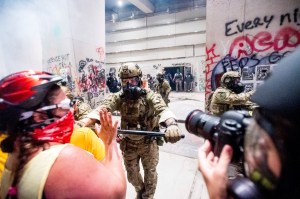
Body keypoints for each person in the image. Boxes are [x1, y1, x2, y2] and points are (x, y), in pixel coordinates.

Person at [0, 70, 126, 198]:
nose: (71, 111)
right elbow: (116, 192)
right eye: (65, 106)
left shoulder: (15, 156)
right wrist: (110, 144)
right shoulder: (64, 159)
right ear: (39, 117)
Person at [198, 47, 300, 199]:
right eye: (235, 81)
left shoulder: (231, 92)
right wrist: (256, 93)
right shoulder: (221, 92)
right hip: (221, 125)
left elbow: (246, 104)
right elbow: (237, 100)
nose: (238, 83)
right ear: (228, 82)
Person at [79, 63, 183, 199]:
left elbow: (163, 109)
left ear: (139, 79)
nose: (129, 85)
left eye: (132, 81)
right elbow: (102, 109)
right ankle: (140, 190)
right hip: (129, 144)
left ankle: (147, 196)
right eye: (124, 81)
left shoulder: (150, 95)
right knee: (132, 177)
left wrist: (172, 125)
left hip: (148, 144)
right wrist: (82, 123)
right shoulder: (119, 97)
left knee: (150, 175)